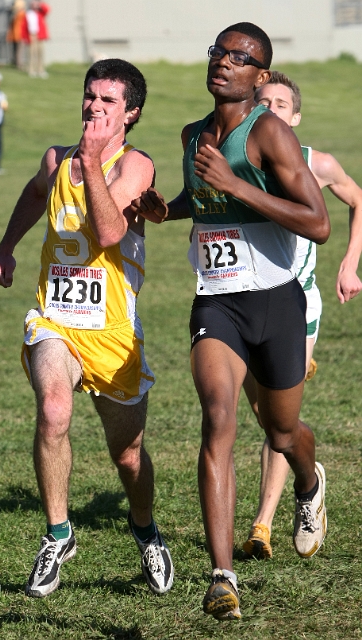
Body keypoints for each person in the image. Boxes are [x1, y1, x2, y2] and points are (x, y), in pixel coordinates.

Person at [131, 22, 330, 620]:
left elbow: (317, 220)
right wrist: (170, 209)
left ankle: (308, 481)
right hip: (216, 301)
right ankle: (222, 578)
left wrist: (236, 186)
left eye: (240, 57)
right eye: (219, 51)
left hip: (277, 301)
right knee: (217, 416)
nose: (224, 62)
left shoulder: (267, 132)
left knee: (280, 432)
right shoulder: (194, 135)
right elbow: (205, 195)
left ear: (260, 76)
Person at [0, 58, 174, 599]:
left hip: (114, 331)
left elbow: (111, 230)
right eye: (90, 95)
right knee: (53, 411)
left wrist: (93, 162)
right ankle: (58, 533)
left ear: (131, 113)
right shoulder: (56, 158)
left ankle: (145, 531)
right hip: (56, 321)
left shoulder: (135, 165)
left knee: (128, 455)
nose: (94, 105)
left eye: (109, 100)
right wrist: (7, 246)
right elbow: (32, 193)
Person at [241, 70, 362, 560]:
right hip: (242, 301)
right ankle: (310, 480)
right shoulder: (240, 159)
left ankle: (263, 524)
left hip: (297, 303)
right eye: (262, 101)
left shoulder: (318, 163)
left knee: (276, 419)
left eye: (280, 103)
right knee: (264, 415)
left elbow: (358, 199)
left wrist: (351, 264)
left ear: (295, 116)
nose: (270, 109)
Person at [22, 1, 49, 78]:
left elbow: (47, 9)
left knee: (40, 53)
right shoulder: (28, 14)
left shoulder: (40, 13)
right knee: (31, 53)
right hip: (31, 35)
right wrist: (24, 37)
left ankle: (40, 70)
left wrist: (40, 4)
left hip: (39, 35)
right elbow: (23, 27)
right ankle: (31, 70)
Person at [6, 0, 26, 70]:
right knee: (18, 51)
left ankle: (18, 64)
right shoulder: (20, 14)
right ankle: (18, 64)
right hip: (17, 35)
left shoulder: (19, 14)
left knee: (18, 51)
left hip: (18, 35)